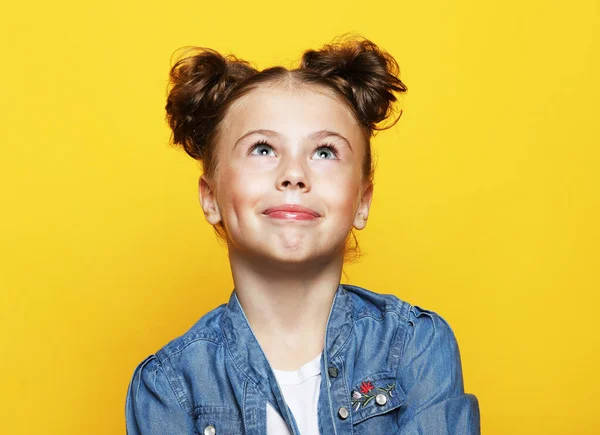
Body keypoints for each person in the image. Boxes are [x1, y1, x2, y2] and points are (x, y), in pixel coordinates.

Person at [125, 34, 480, 434]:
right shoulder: (169, 387)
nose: (294, 175)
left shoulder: (416, 347)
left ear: (361, 201)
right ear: (211, 197)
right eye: (262, 149)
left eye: (324, 152)